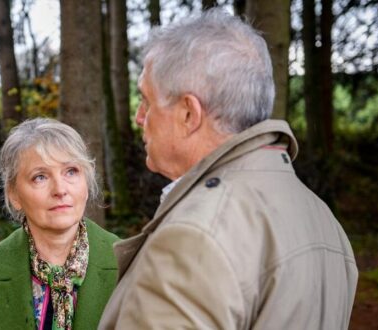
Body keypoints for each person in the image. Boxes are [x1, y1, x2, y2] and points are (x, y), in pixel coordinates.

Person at [99, 8, 358, 330]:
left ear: (189, 114)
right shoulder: (320, 215)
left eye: (147, 100)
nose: (140, 117)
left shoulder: (195, 236)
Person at [0, 118, 119, 330]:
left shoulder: (130, 266)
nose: (60, 189)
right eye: (40, 177)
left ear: (86, 183)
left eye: (71, 171)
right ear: (14, 194)